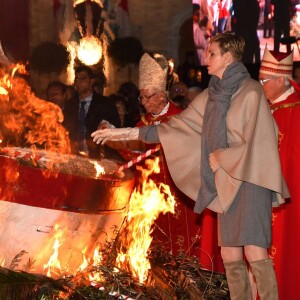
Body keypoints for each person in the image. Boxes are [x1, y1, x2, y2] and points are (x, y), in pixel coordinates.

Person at [92, 33, 289, 299]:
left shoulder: (251, 90)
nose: (206, 59)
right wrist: (121, 133)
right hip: (225, 185)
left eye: (212, 54)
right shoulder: (212, 95)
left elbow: (260, 141)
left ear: (228, 57)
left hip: (251, 181)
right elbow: (174, 127)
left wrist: (223, 156)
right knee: (230, 254)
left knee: (254, 253)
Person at [259, 47, 300, 300]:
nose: (260, 85)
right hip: (261, 198)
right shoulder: (263, 109)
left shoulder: (297, 111)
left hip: (290, 200)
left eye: (264, 81)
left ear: (282, 80)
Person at [62, 65, 120, 158]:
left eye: (83, 79)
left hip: (97, 155)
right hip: (73, 154)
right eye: (76, 79)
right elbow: (64, 128)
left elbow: (114, 129)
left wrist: (94, 141)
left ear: (91, 81)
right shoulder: (70, 104)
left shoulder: (105, 104)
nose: (78, 82)